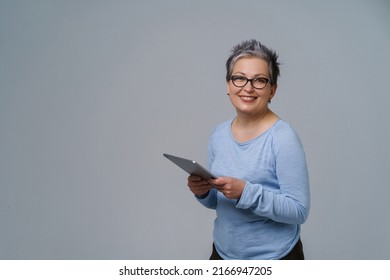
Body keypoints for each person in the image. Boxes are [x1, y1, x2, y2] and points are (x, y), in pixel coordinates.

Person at [187, 39, 310, 260]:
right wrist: (203, 192)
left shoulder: (283, 137)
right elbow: (220, 202)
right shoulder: (218, 134)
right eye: (239, 78)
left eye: (260, 80)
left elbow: (298, 211)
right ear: (228, 85)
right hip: (224, 255)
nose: (248, 87)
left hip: (275, 258)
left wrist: (246, 192)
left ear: (272, 90)